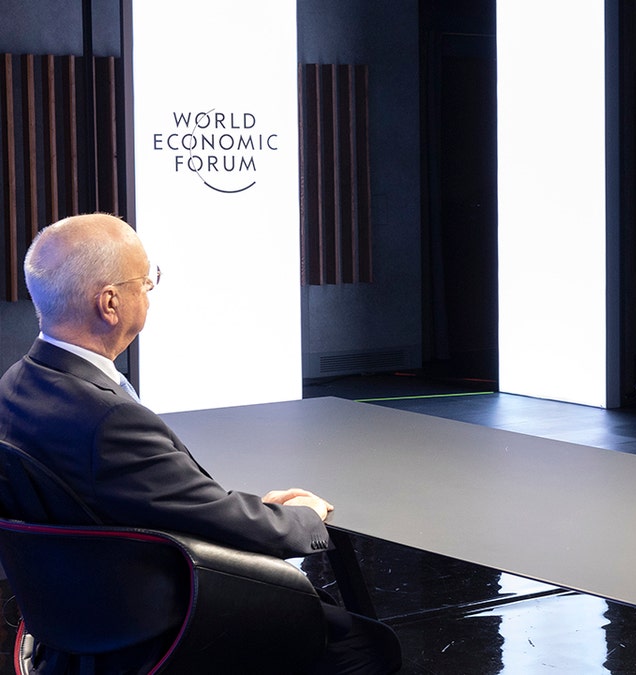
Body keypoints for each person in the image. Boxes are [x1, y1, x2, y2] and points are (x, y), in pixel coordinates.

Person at [0, 213, 403, 674]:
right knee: (367, 647)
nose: (149, 290)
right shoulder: (107, 419)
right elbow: (216, 523)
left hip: (75, 619)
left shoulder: (16, 385)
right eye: (146, 282)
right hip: (156, 620)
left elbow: (153, 499)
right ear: (110, 303)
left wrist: (241, 506)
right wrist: (301, 519)